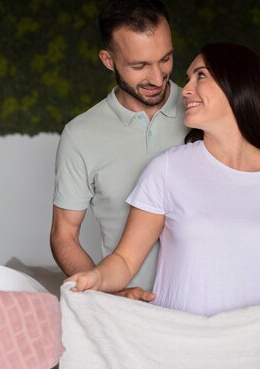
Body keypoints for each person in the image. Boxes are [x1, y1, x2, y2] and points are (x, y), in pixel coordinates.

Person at [67, 42, 260, 316]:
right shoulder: (167, 168)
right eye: (188, 78)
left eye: (201, 75)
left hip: (251, 348)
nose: (187, 90)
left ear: (238, 84)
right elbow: (125, 260)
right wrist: (97, 278)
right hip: (175, 343)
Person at [50, 0, 188, 294]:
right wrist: (109, 294)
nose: (156, 77)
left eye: (165, 59)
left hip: (207, 312)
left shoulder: (204, 114)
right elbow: (65, 235)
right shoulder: (80, 135)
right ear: (108, 60)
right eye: (139, 66)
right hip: (127, 313)